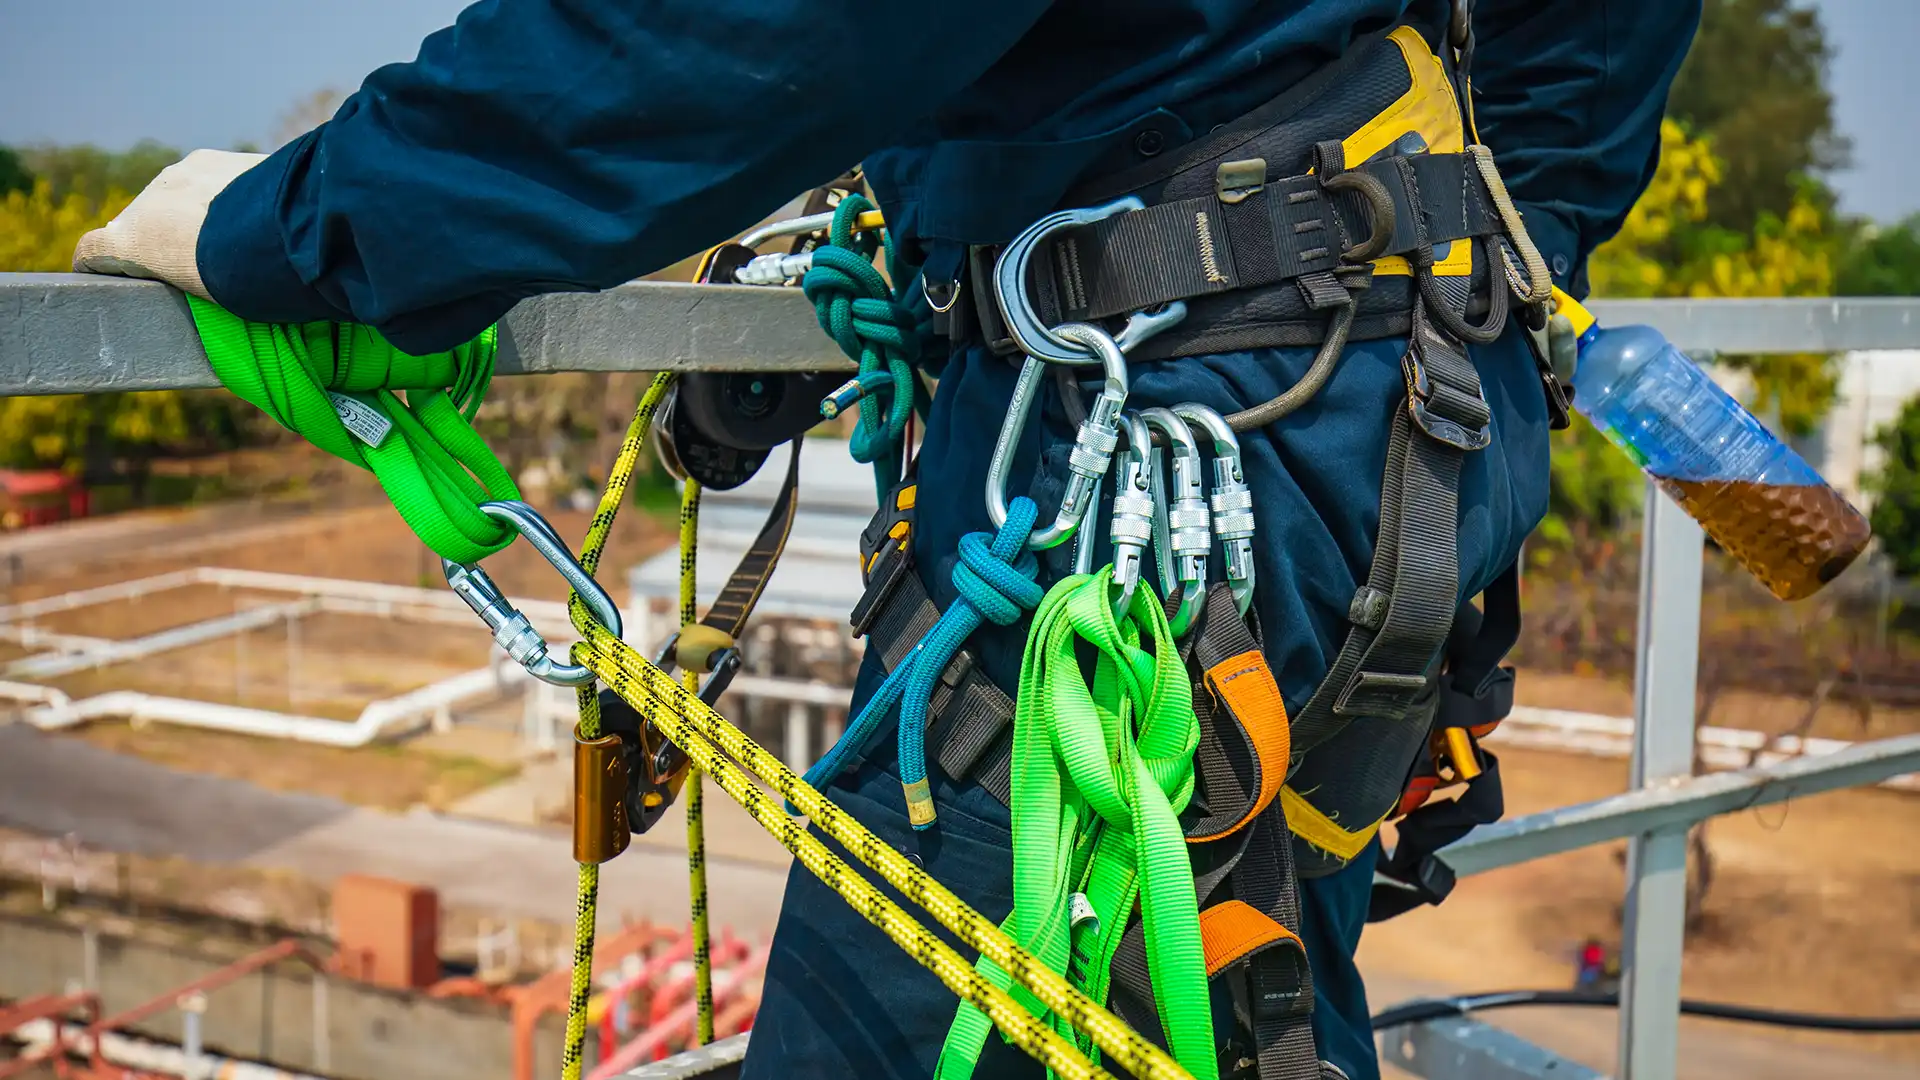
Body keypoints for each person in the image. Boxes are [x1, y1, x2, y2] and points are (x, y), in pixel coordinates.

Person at [73, 2, 1702, 1077]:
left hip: (1159, 475)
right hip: (1380, 424)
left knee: (945, 1021)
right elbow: (1587, 57)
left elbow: (766, 34)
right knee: (1232, 984)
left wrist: (311, 220)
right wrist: (1432, 265)